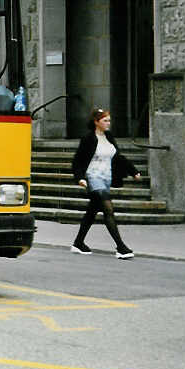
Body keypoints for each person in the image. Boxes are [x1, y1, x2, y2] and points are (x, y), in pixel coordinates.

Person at [70, 108, 142, 259]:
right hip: (93, 177)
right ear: (96, 122)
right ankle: (121, 247)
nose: (108, 123)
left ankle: (78, 243)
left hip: (106, 178)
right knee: (108, 209)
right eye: (105, 120)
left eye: (109, 120)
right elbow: (78, 160)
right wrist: (80, 178)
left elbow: (118, 156)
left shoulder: (109, 136)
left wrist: (133, 171)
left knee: (92, 212)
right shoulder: (88, 138)